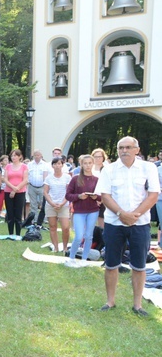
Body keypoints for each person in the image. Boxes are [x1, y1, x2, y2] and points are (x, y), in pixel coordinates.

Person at [96, 136, 159, 317]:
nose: (124, 150)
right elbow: (105, 196)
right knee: (111, 264)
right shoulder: (109, 169)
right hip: (114, 223)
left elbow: (153, 195)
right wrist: (121, 214)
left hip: (140, 224)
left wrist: (134, 215)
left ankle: (137, 305)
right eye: (121, 148)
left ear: (136, 150)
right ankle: (110, 301)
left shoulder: (149, 168)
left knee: (139, 266)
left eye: (128, 147)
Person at [65, 154, 101, 267]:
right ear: (81, 164)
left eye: (90, 163)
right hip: (79, 211)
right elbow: (68, 195)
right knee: (78, 236)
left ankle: (85, 259)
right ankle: (71, 257)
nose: (88, 165)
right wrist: (78, 196)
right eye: (85, 163)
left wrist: (96, 197)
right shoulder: (75, 179)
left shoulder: (97, 180)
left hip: (93, 210)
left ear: (93, 164)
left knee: (89, 236)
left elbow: (102, 196)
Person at [43, 157, 71, 254]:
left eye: (59, 164)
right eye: (55, 164)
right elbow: (46, 192)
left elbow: (69, 192)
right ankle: (55, 247)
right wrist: (52, 203)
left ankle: (65, 247)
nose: (57, 166)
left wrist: (62, 203)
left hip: (64, 205)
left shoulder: (67, 177)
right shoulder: (48, 178)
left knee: (66, 227)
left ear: (62, 165)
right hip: (51, 205)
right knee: (52, 226)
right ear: (52, 166)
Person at [3, 149, 28, 236]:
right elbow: (5, 179)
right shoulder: (8, 166)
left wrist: (16, 189)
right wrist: (13, 188)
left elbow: (25, 180)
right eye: (12, 155)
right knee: (10, 213)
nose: (13, 157)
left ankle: (18, 233)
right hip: (8, 191)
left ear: (20, 156)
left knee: (18, 213)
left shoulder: (24, 166)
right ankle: (10, 233)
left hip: (20, 192)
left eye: (15, 155)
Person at [27, 150, 50, 226]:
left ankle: (43, 219)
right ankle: (33, 219)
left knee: (42, 203)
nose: (37, 156)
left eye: (38, 155)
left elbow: (45, 176)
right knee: (33, 204)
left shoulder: (45, 165)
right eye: (35, 155)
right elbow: (27, 174)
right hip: (31, 186)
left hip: (42, 186)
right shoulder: (29, 164)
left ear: (41, 156)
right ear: (33, 156)